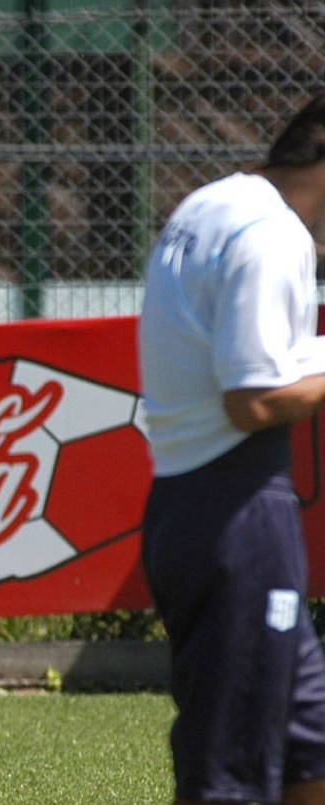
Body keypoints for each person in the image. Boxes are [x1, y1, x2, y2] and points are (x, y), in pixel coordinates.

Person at [138, 92, 325, 805]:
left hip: (189, 506)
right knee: (229, 774)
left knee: (310, 745)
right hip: (239, 514)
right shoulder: (273, 236)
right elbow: (251, 400)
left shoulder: (212, 204)